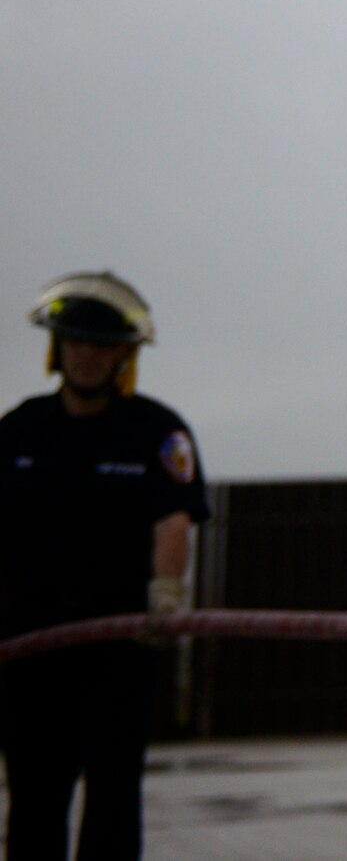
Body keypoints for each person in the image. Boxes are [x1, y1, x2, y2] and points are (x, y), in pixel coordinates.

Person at [0, 272, 208, 861]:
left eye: (101, 345)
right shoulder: (19, 430)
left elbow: (173, 521)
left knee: (114, 802)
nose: (87, 355)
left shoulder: (156, 433)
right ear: (57, 348)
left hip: (118, 651)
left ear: (124, 355)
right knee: (35, 802)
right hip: (30, 653)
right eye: (75, 342)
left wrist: (166, 594)